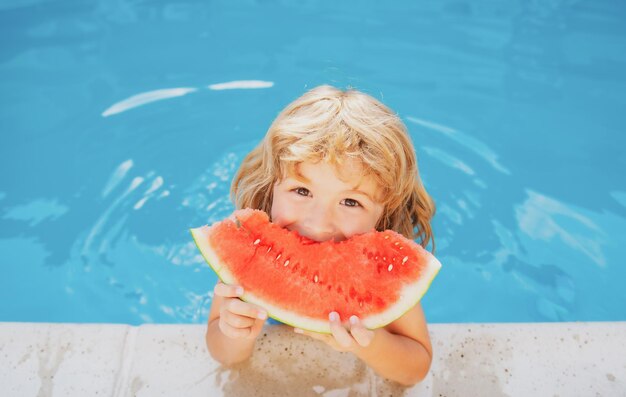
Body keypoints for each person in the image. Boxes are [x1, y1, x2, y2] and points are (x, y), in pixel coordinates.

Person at [205, 85, 436, 386]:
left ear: (385, 214)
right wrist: (233, 332)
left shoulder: (380, 277)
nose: (319, 223)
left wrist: (370, 343)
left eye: (351, 202)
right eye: (301, 191)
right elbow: (223, 355)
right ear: (270, 188)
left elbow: (416, 368)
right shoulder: (252, 255)